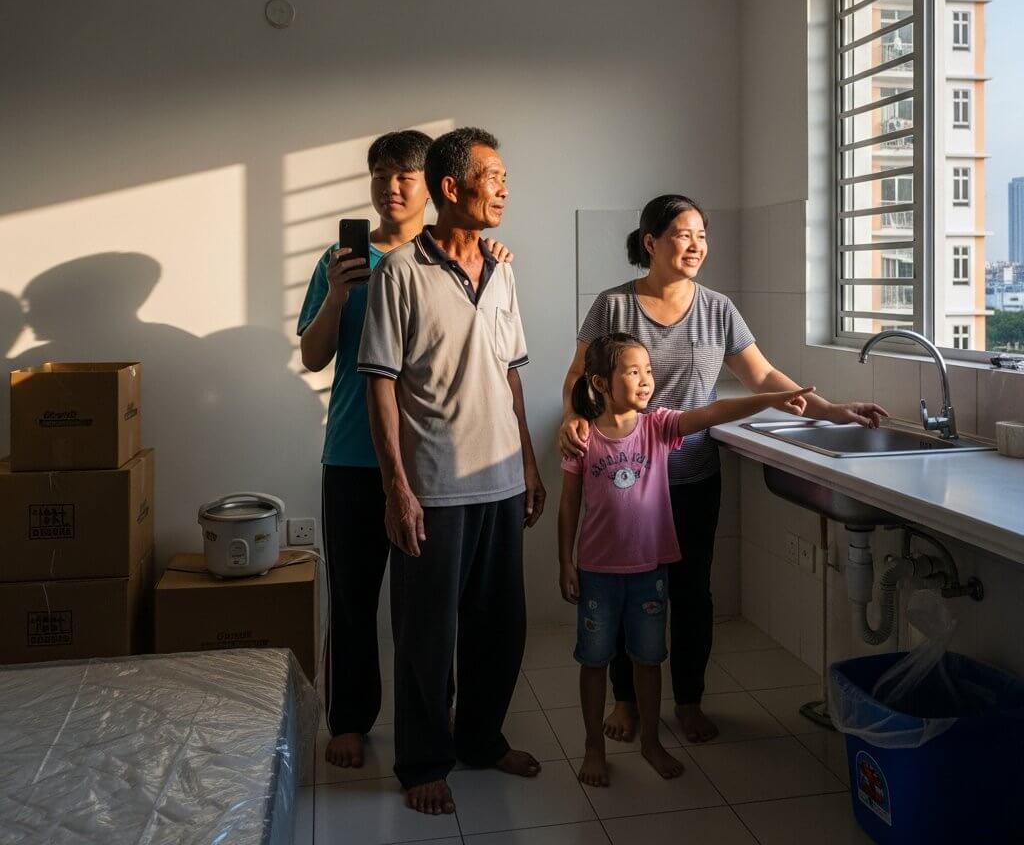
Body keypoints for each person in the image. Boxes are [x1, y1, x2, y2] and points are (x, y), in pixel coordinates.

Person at [559, 194, 887, 745]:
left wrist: (831, 409)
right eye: (683, 235)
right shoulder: (613, 306)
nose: (696, 247)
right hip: (623, 480)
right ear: (651, 243)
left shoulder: (718, 309)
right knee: (619, 591)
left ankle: (687, 700)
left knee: (690, 592)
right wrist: (572, 419)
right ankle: (624, 700)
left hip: (690, 477)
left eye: (702, 237)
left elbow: (762, 377)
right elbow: (578, 377)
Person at [297, 130, 513, 771]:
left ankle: (445, 725)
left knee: (436, 611)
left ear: (433, 188)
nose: (389, 188)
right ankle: (352, 719)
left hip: (436, 466)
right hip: (356, 458)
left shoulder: (464, 257)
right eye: (379, 175)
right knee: (355, 599)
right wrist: (337, 295)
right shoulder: (345, 261)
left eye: (403, 176)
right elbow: (313, 356)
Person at [359, 127, 546, 815]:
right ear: (452, 187)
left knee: (501, 629)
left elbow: (510, 375)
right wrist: (396, 487)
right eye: (492, 176)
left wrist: (528, 462)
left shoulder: (503, 270)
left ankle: (481, 740)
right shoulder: (399, 273)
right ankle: (423, 762)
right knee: (425, 636)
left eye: (502, 176)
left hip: (500, 481)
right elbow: (381, 383)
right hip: (434, 486)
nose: (503, 188)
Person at [559, 332, 814, 786]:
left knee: (649, 658)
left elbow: (714, 412)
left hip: (650, 570)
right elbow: (569, 507)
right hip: (598, 572)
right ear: (599, 382)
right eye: (632, 371)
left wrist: (770, 398)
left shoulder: (658, 427)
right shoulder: (584, 440)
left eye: (649, 372)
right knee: (594, 661)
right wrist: (565, 562)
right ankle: (592, 748)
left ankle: (652, 742)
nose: (645, 381)